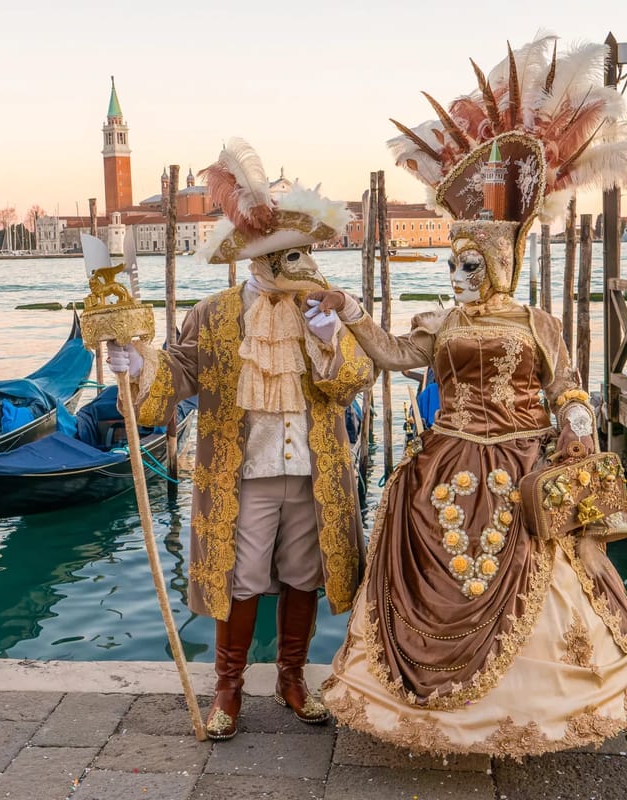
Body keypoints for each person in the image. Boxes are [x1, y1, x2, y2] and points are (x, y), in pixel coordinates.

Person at [318, 35, 627, 759]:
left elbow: (565, 384)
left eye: (467, 264)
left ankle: (534, 711)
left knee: (536, 576)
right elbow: (396, 358)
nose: (454, 275)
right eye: (450, 263)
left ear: (492, 265)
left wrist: (578, 415)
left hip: (520, 468)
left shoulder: (534, 322)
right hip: (444, 460)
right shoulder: (440, 322)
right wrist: (355, 315)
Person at [107, 138, 374, 740]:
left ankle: (292, 679)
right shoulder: (215, 314)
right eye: (285, 256)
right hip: (241, 474)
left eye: (300, 254)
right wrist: (138, 363)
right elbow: (177, 373)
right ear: (256, 258)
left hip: (315, 470)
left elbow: (354, 382)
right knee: (240, 577)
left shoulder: (322, 310)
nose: (297, 265)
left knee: (305, 574)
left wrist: (333, 338)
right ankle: (228, 689)